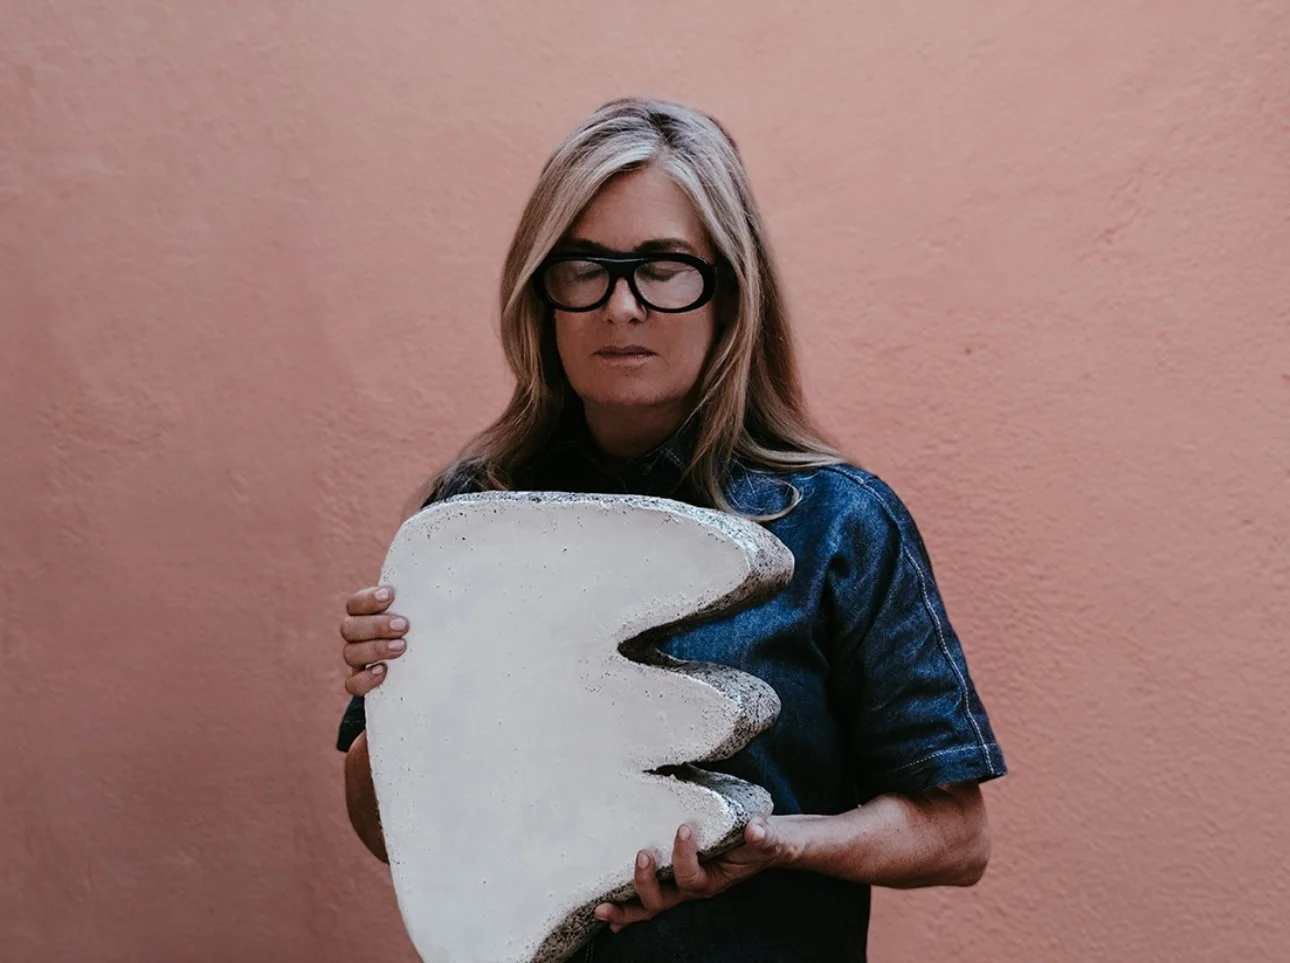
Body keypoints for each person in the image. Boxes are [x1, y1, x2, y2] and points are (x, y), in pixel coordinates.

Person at [335, 98, 1007, 963]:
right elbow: (389, 829)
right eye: (584, 267)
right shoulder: (472, 515)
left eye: (663, 267)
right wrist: (396, 697)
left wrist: (775, 842)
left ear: (731, 291)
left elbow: (956, 834)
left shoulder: (838, 522)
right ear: (541, 295)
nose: (622, 306)